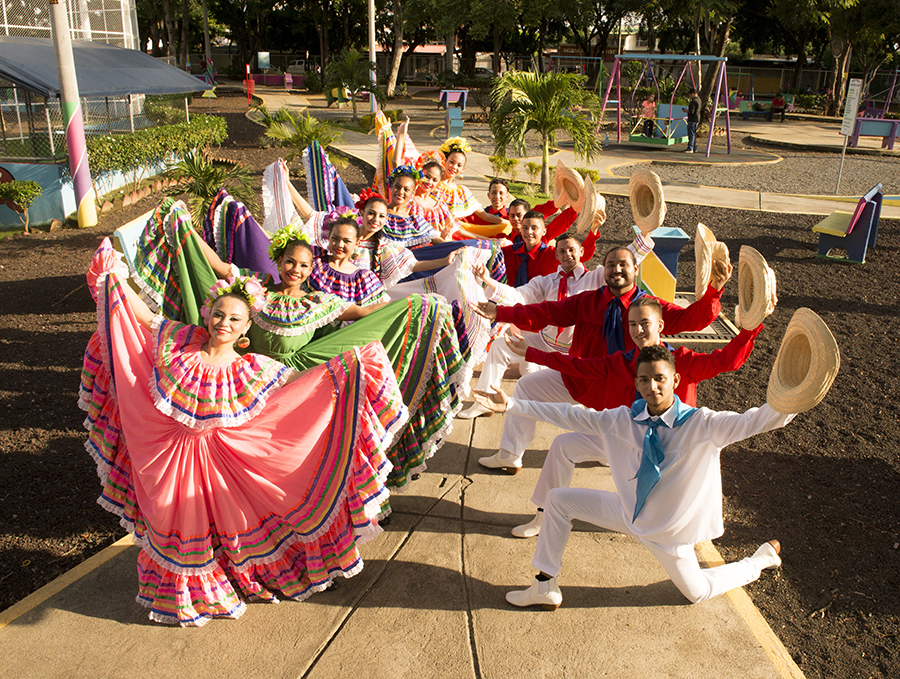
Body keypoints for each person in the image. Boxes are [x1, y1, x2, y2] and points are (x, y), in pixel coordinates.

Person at [80, 239, 407, 626]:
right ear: (208, 315)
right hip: (173, 457)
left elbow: (297, 384)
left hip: (224, 461)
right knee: (178, 524)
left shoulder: (251, 366)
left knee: (228, 525)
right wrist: (114, 280)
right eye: (219, 315)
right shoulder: (182, 341)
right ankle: (186, 592)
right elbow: (141, 317)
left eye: (234, 319)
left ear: (245, 328)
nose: (224, 324)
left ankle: (235, 578)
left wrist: (348, 367)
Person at [478, 344, 793, 609]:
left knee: (697, 593)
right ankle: (544, 586)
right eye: (644, 380)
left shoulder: (703, 425)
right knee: (558, 500)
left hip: (667, 535)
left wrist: (794, 397)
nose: (652, 387)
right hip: (627, 513)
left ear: (675, 379)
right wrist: (514, 404)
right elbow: (571, 414)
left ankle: (758, 561)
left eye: (660, 378)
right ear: (637, 383)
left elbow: (759, 420)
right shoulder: (623, 419)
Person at [487, 295, 771, 537]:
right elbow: (579, 366)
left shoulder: (681, 360)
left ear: (660, 325)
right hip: (628, 438)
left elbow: (726, 360)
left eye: (644, 323)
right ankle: (543, 516)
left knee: (661, 523)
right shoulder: (624, 361)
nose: (637, 330)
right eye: (632, 324)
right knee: (564, 445)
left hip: (668, 450)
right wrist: (533, 354)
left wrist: (750, 328)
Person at [472, 245, 730, 473]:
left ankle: (611, 453)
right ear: (603, 270)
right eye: (610, 265)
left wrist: (714, 292)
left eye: (623, 264)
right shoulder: (588, 300)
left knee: (613, 444)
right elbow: (547, 312)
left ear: (635, 269)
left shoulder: (649, 308)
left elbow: (692, 319)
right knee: (528, 386)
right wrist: (501, 311)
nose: (616, 269)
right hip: (582, 377)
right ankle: (510, 455)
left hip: (622, 391)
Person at [456, 229, 627, 420]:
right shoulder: (547, 281)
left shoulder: (595, 277)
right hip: (545, 342)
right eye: (562, 251)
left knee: (547, 396)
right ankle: (484, 402)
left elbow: (624, 263)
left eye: (572, 250)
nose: (567, 254)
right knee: (500, 347)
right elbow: (519, 296)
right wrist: (488, 280)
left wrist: (645, 234)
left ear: (581, 251)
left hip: (574, 352)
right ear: (556, 254)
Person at [685, 88, 700, 154]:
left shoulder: (693, 101)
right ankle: (694, 147)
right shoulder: (699, 100)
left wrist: (686, 111)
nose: (689, 97)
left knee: (691, 133)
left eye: (690, 95)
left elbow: (692, 111)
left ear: (693, 94)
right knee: (693, 133)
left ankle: (690, 147)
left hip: (692, 119)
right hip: (697, 119)